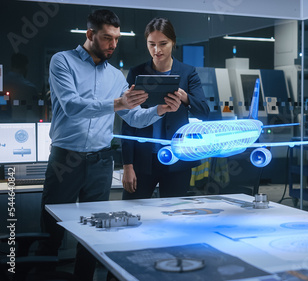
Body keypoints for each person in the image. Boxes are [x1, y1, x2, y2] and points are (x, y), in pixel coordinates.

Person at [36, 10, 182, 280]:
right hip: (65, 160)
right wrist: (120, 103)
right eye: (106, 38)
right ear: (90, 34)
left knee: (96, 236)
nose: (113, 45)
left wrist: (159, 110)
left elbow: (134, 119)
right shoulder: (62, 61)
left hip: (101, 162)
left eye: (116, 39)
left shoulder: (117, 76)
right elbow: (71, 107)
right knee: (51, 232)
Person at [121, 17, 209, 200]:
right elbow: (128, 121)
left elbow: (203, 111)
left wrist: (185, 97)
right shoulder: (136, 73)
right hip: (143, 160)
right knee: (133, 210)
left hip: (177, 159)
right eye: (151, 44)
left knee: (173, 215)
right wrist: (127, 165)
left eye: (163, 44)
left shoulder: (188, 73)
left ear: (173, 42)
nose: (157, 50)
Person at [2, 53, 40, 122]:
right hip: (22, 126)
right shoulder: (30, 88)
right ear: (25, 67)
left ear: (12, 65)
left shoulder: (2, 83)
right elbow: (35, 115)